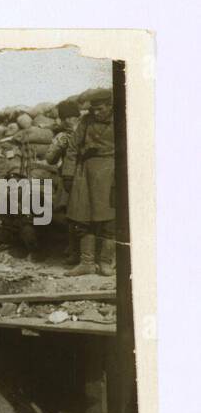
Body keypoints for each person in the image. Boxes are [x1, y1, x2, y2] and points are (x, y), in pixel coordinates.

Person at [64, 88, 116, 277]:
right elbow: (72, 147)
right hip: (85, 174)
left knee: (109, 220)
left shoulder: (121, 121)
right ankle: (86, 262)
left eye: (100, 108)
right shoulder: (86, 122)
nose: (95, 112)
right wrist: (68, 174)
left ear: (110, 106)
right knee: (83, 218)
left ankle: (105, 262)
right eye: (93, 109)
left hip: (111, 173)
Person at [44, 99, 84, 265]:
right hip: (68, 180)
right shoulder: (61, 136)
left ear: (77, 116)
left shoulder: (87, 131)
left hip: (87, 178)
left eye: (71, 117)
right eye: (64, 118)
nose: (68, 121)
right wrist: (59, 146)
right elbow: (50, 159)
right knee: (70, 217)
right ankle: (74, 251)